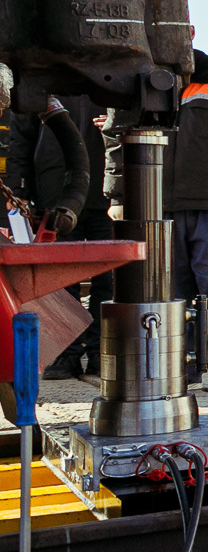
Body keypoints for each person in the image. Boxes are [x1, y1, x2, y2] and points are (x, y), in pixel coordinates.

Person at [106, 35, 208, 312]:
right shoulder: (128, 83)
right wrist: (117, 195)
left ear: (188, 31)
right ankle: (181, 354)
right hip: (155, 210)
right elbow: (116, 140)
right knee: (169, 293)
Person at [7, 93, 109, 378]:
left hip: (109, 196)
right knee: (61, 281)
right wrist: (19, 193)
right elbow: (21, 142)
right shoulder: (42, 85)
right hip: (56, 197)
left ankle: (104, 351)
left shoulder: (113, 78)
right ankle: (66, 353)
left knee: (110, 280)